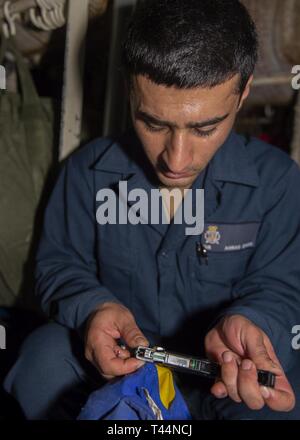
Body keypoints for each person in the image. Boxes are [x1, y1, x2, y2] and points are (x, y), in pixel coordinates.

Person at [4, 0, 300, 420]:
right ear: (130, 90)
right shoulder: (87, 173)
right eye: (154, 123)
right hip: (115, 375)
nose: (176, 159)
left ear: (243, 91)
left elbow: (283, 287)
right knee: (41, 359)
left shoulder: (278, 183)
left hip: (219, 382)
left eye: (204, 127)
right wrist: (94, 308)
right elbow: (59, 265)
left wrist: (254, 323)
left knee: (282, 398)